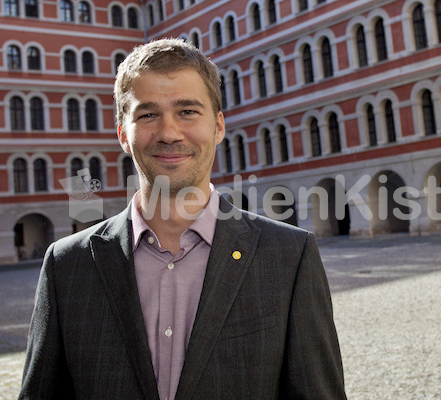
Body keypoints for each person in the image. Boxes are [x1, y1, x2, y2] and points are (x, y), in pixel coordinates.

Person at [19, 38, 346, 400]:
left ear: (218, 127)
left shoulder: (289, 257)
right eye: (147, 114)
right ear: (123, 135)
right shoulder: (67, 265)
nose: (169, 133)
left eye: (187, 111)